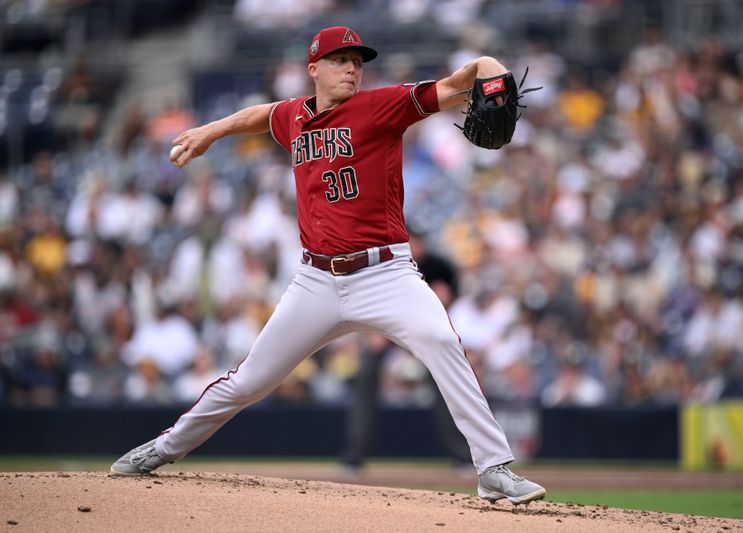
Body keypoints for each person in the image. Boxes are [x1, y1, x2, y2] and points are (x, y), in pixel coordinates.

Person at [110, 26, 546, 505]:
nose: (353, 69)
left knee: (442, 342)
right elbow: (263, 115)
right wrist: (212, 131)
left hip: (386, 273)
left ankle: (493, 468)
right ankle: (163, 448)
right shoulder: (295, 116)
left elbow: (454, 86)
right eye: (341, 60)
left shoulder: (381, 105)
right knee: (249, 381)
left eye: (358, 62)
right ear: (313, 68)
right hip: (315, 280)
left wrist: (485, 65)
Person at [340, 231, 472, 475]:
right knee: (366, 374)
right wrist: (374, 331)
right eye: (411, 239)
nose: (415, 245)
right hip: (387, 326)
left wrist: (443, 301)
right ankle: (354, 457)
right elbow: (365, 301)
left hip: (424, 326)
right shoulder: (384, 263)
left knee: (447, 378)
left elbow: (449, 299)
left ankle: (464, 456)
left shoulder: (437, 266)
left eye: (419, 240)